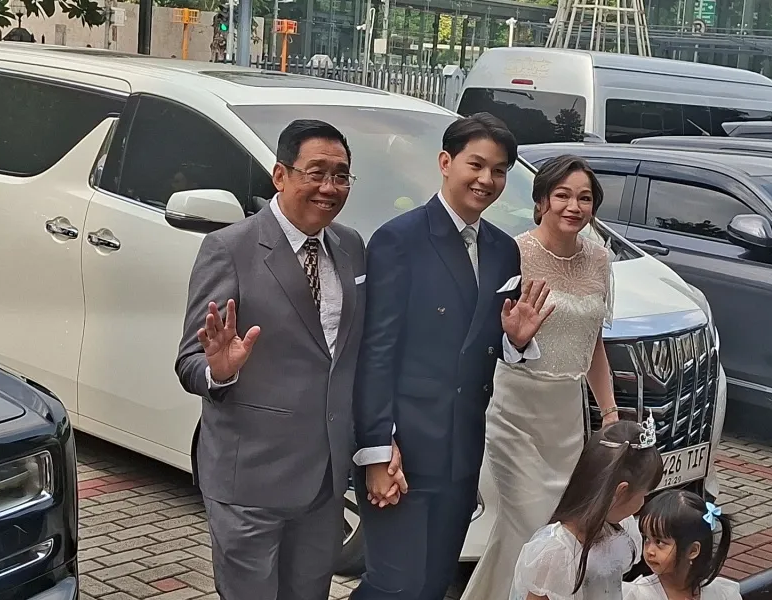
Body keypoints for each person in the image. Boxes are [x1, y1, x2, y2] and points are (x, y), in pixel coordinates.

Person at [350, 112, 553, 600]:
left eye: (500, 170)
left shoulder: (504, 250)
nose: (487, 180)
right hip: (403, 451)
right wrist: (376, 452)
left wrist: (517, 341)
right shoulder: (400, 239)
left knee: (434, 583)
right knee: (392, 584)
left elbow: (479, 343)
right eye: (476, 165)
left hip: (461, 450)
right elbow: (376, 351)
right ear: (445, 162)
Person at [175, 119, 371, 600]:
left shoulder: (350, 247)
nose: (329, 187)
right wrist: (221, 369)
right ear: (280, 175)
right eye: (316, 173)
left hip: (324, 479)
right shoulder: (229, 248)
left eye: (341, 175)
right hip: (251, 479)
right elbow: (189, 362)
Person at [461, 154, 620, 600]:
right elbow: (484, 335)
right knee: (538, 525)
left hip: (567, 417)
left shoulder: (600, 260)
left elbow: (594, 343)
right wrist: (510, 336)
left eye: (584, 198)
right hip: (513, 409)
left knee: (547, 528)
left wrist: (608, 413)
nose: (573, 206)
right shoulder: (513, 253)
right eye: (563, 195)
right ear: (541, 202)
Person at [510, 418, 663, 600]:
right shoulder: (556, 553)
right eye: (642, 495)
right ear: (620, 492)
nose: (642, 503)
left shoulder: (615, 529)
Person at [623, 491, 740, 600]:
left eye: (659, 542)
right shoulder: (638, 595)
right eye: (646, 539)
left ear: (693, 551)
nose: (649, 550)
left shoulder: (720, 594)